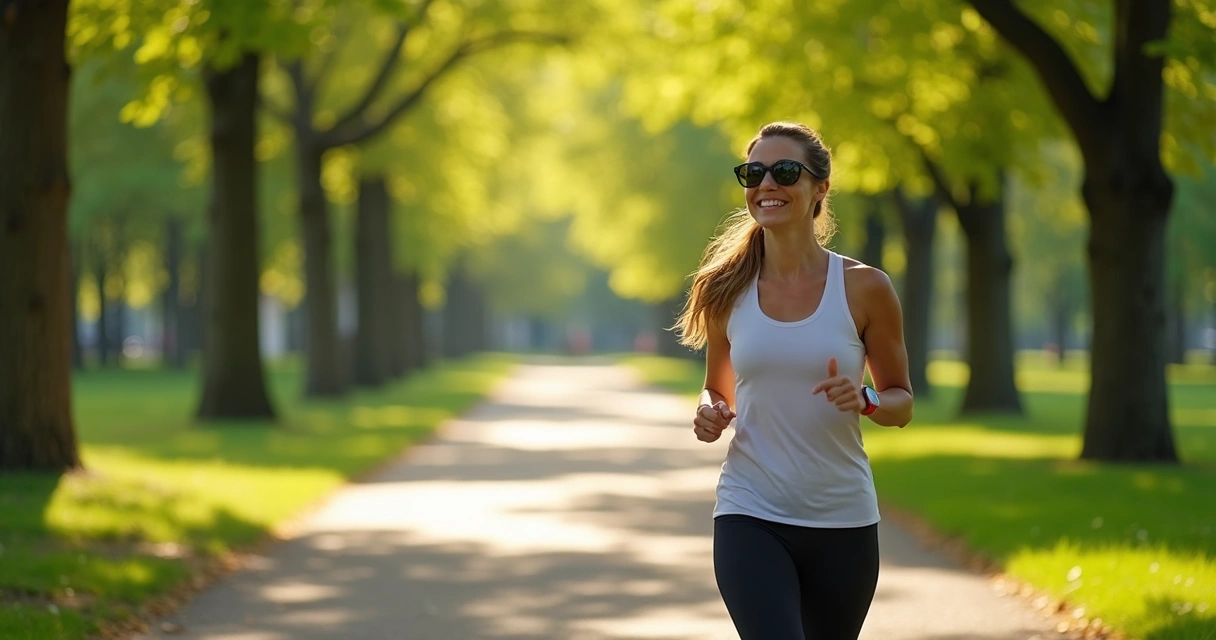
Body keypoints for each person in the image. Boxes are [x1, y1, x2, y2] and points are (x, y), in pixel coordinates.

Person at [673, 121, 914, 640]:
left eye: (785, 172)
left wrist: (866, 399)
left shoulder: (865, 288)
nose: (767, 184)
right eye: (754, 173)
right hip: (749, 510)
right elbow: (717, 387)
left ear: (819, 189)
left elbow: (902, 403)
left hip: (843, 519)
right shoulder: (725, 288)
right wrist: (710, 410)